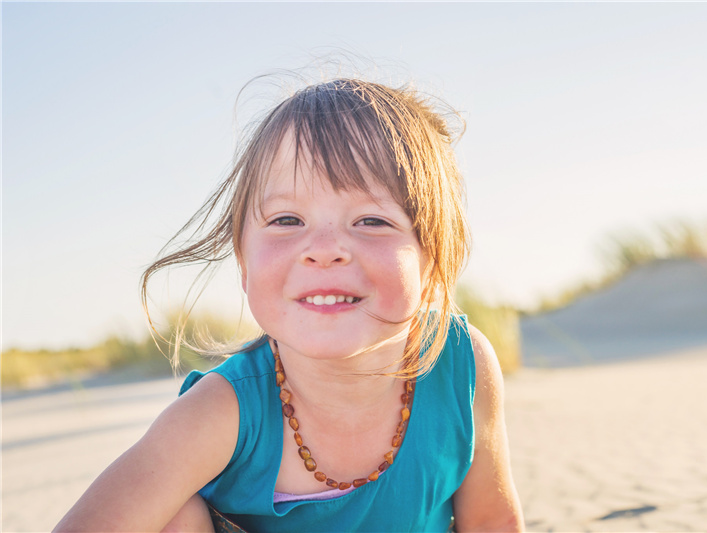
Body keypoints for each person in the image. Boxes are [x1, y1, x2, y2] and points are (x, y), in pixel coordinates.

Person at [55, 77, 524, 532]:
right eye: (286, 219)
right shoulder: (223, 411)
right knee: (173, 517)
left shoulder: (460, 363)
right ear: (243, 264)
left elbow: (491, 521)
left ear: (433, 262)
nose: (323, 248)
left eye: (371, 220)